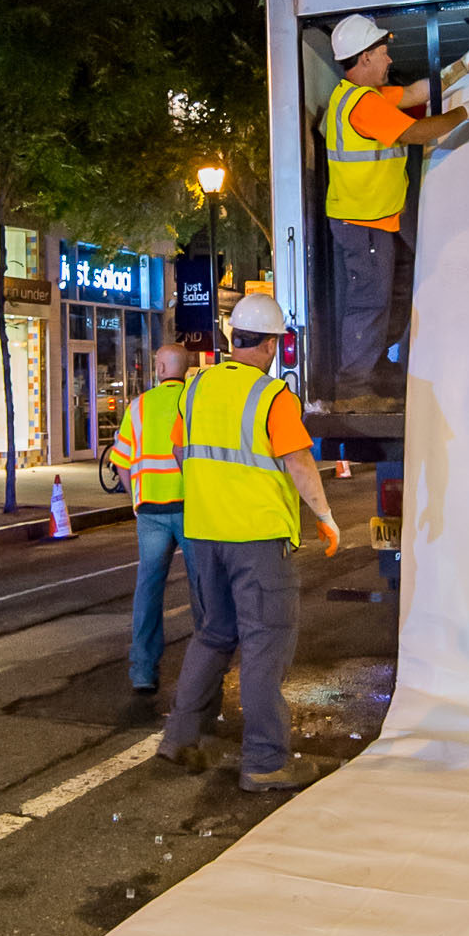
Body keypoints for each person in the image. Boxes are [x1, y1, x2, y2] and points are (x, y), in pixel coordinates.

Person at [158, 292, 341, 792]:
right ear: (272, 345)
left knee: (213, 636)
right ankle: (264, 761)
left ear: (234, 338)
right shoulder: (272, 397)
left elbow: (180, 449)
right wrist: (325, 516)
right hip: (257, 540)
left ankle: (179, 737)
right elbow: (299, 463)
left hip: (202, 536)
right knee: (264, 645)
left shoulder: (195, 388)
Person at [323, 13, 469, 402]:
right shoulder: (363, 105)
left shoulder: (360, 97)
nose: (389, 60)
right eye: (382, 53)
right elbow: (415, 132)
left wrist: (463, 66)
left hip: (374, 220)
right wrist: (466, 111)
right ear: (364, 58)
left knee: (387, 298)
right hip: (363, 221)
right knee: (370, 304)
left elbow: (416, 93)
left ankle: (372, 372)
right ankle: (354, 389)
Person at [107, 343, 200, 696]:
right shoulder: (194, 403)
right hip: (192, 509)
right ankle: (204, 669)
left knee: (148, 590)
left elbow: (122, 460)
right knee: (202, 589)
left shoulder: (140, 407)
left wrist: (135, 493)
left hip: (151, 512)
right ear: (187, 370)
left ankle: (143, 671)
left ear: (161, 367)